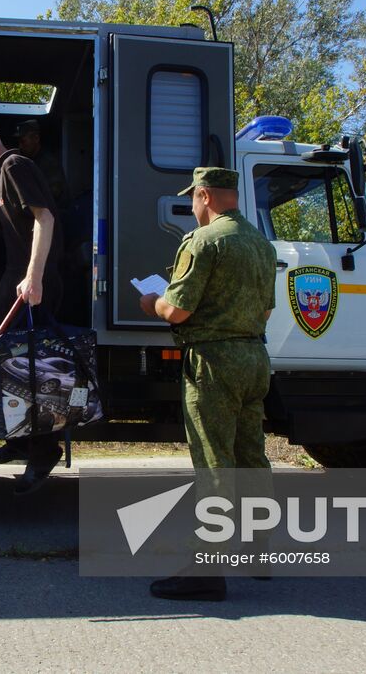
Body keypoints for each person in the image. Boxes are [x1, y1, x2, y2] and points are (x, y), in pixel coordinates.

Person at [138, 168, 276, 602]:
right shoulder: (261, 244)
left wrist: (152, 302)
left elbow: (177, 311)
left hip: (214, 362)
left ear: (204, 195)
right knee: (251, 455)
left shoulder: (203, 242)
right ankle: (258, 550)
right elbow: (266, 311)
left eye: (193, 200)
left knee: (215, 462)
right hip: (254, 357)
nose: (192, 207)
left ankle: (207, 570)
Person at [0, 125, 64, 494]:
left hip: (29, 279)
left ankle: (43, 452)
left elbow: (44, 218)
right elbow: (7, 203)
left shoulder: (15, 165)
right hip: (17, 278)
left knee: (28, 371)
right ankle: (21, 441)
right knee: (8, 364)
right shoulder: (5, 176)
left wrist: (33, 276)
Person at [14, 119, 67, 208]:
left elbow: (54, 192)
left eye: (23, 141)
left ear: (36, 138)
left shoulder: (49, 162)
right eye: (19, 142)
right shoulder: (24, 160)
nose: (20, 146)